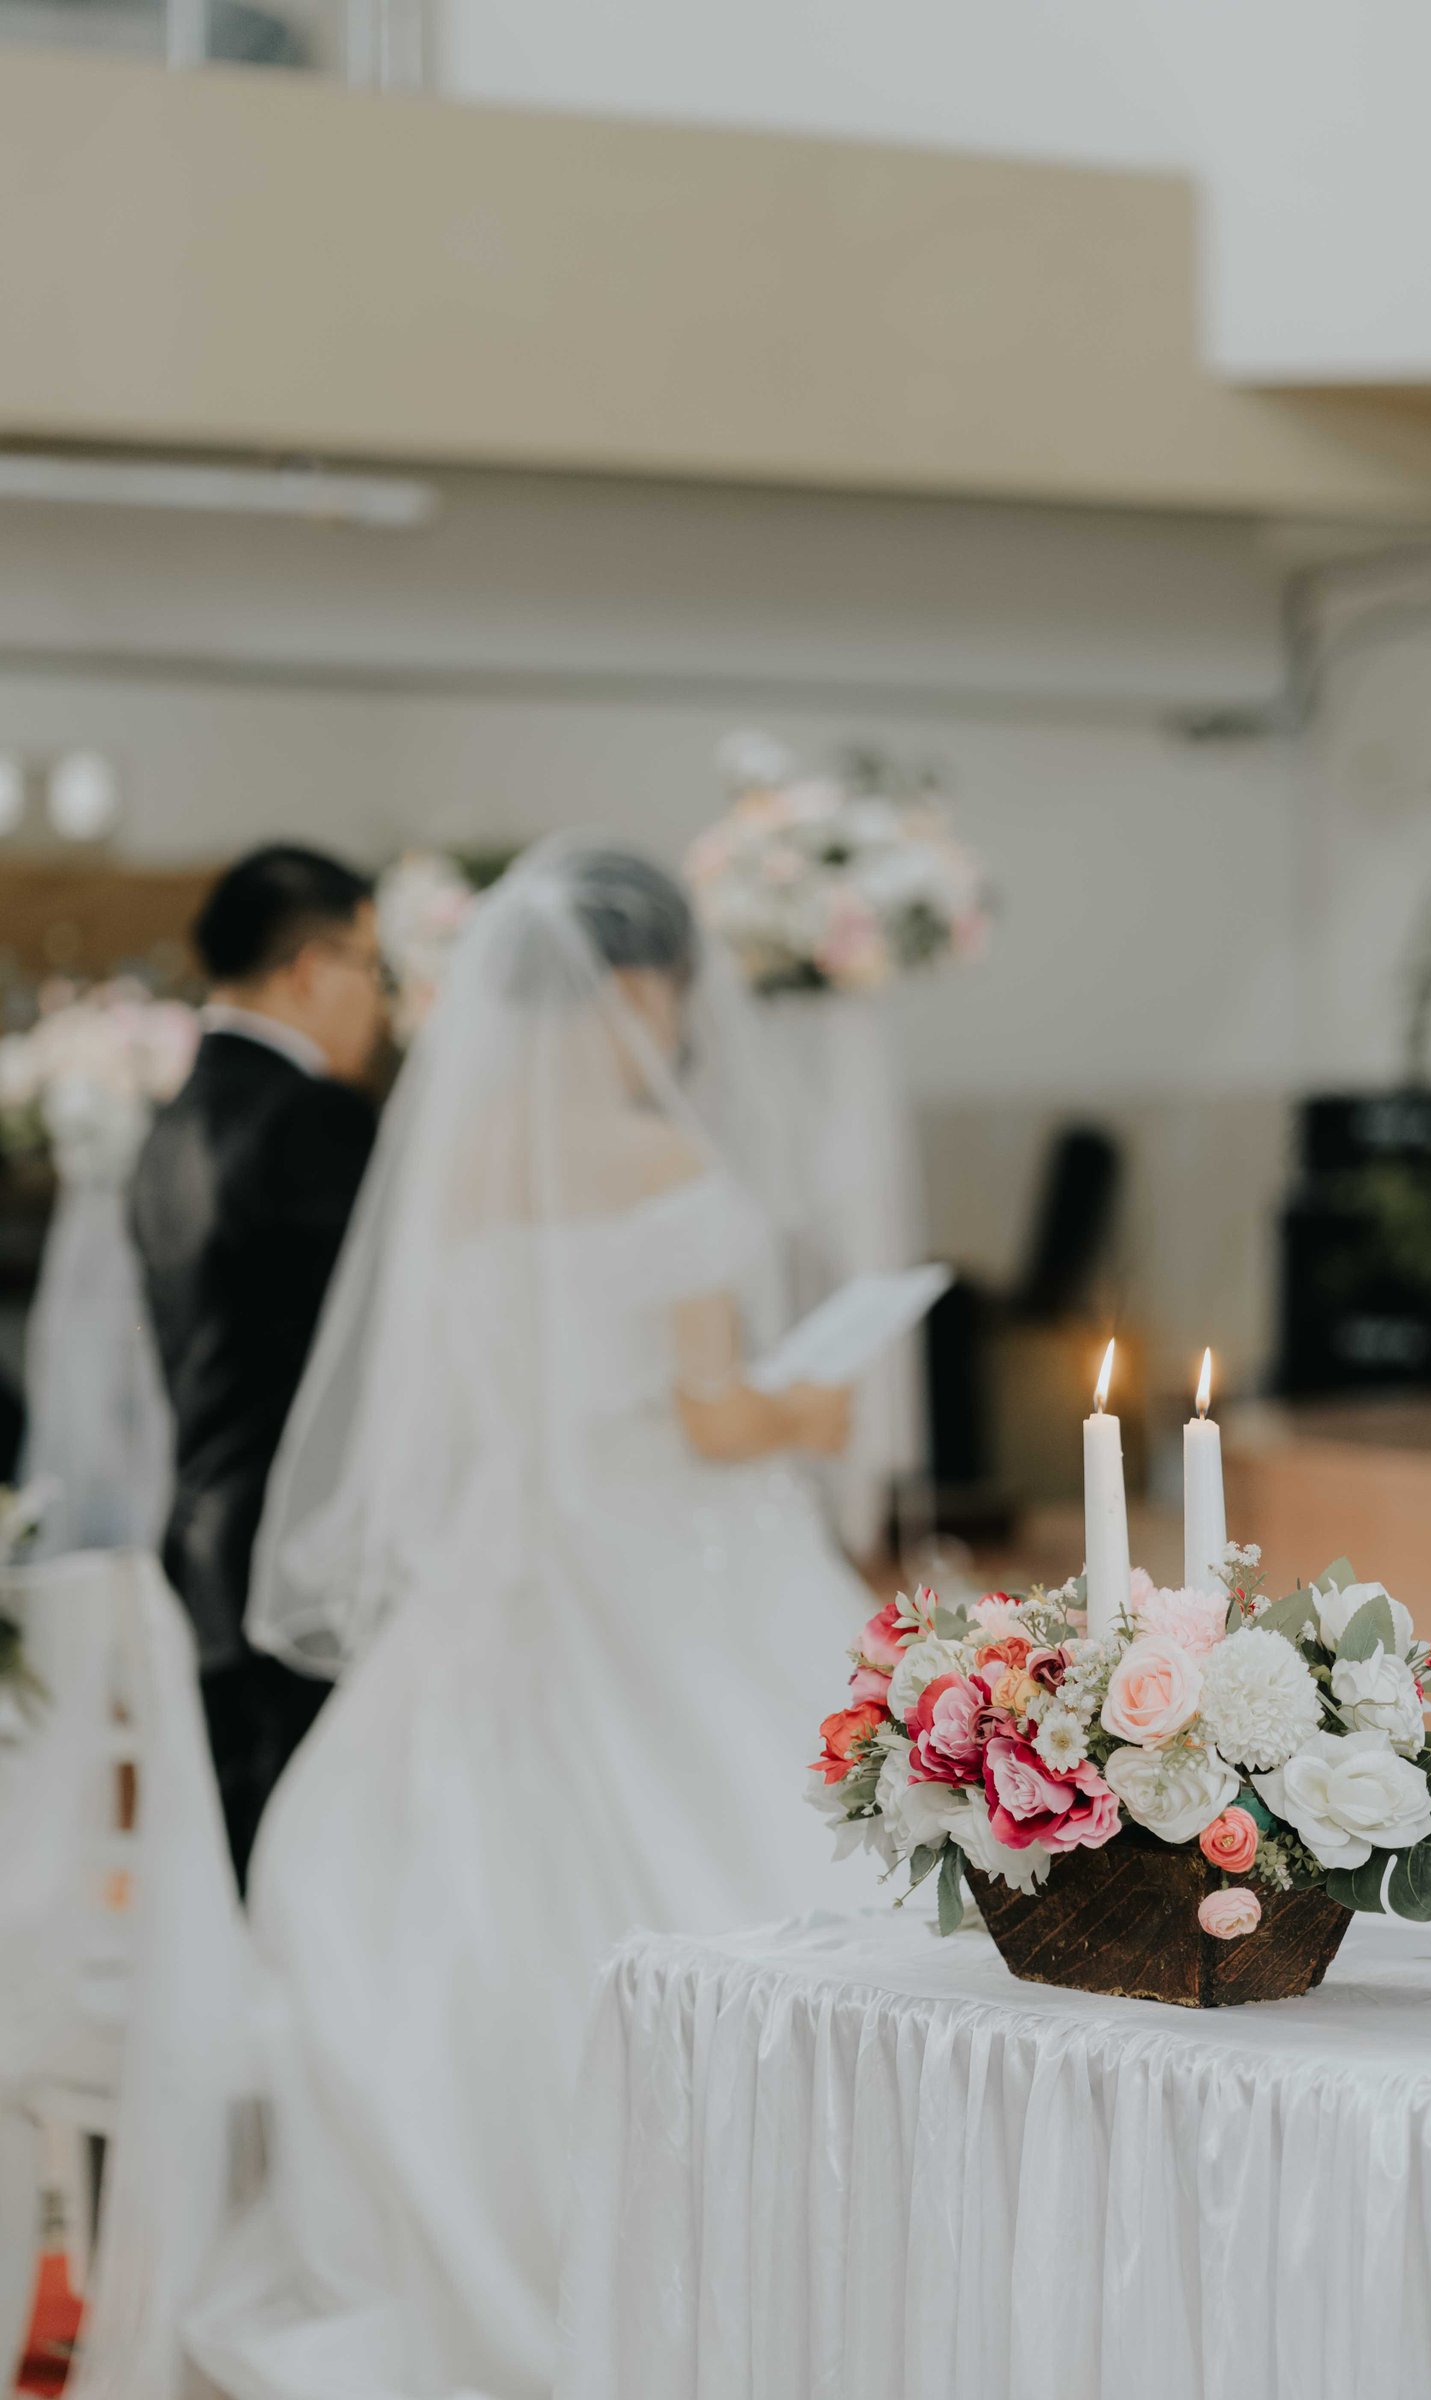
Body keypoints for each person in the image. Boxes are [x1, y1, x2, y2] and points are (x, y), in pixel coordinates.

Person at [184, 840, 870, 2400]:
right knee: (759, 1852)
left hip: (499, 1570)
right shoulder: (657, 1157)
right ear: (637, 986)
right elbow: (709, 1417)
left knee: (463, 1900)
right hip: (668, 1562)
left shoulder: (457, 1150)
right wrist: (811, 1407)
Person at [129, 844, 385, 1887]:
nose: (380, 1002)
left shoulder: (171, 1119)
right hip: (302, 1555)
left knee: (241, 1861)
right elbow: (381, 1349)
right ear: (311, 969)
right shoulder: (314, 1119)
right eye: (373, 968)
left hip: (202, 1543)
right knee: (311, 1869)